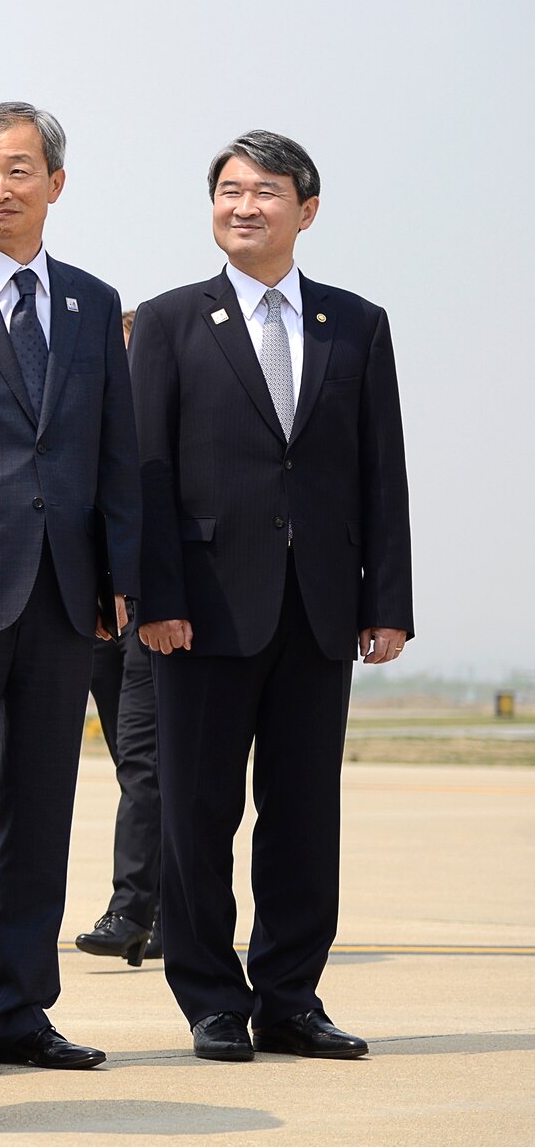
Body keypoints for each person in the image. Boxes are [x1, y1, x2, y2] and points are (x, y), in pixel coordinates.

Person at [131, 130, 411, 1063]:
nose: (243, 206)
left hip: (320, 606)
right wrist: (155, 596)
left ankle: (290, 995)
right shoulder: (170, 321)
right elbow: (148, 472)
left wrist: (388, 599)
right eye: (228, 190)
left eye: (264, 192)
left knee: (302, 812)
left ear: (308, 209)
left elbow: (382, 472)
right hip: (201, 609)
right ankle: (212, 996)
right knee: (198, 812)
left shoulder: (356, 324)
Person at [0, 103, 139, 1077]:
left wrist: (122, 581)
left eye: (17, 170)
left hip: (64, 596)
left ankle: (21, 1004)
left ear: (55, 182)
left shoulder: (94, 303)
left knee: (40, 808)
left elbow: (113, 454)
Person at [77, 308, 165, 968]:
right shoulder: (93, 425)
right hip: (94, 617)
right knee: (131, 762)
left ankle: (134, 905)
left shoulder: (158, 432)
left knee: (143, 760)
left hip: (145, 613)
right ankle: (155, 906)